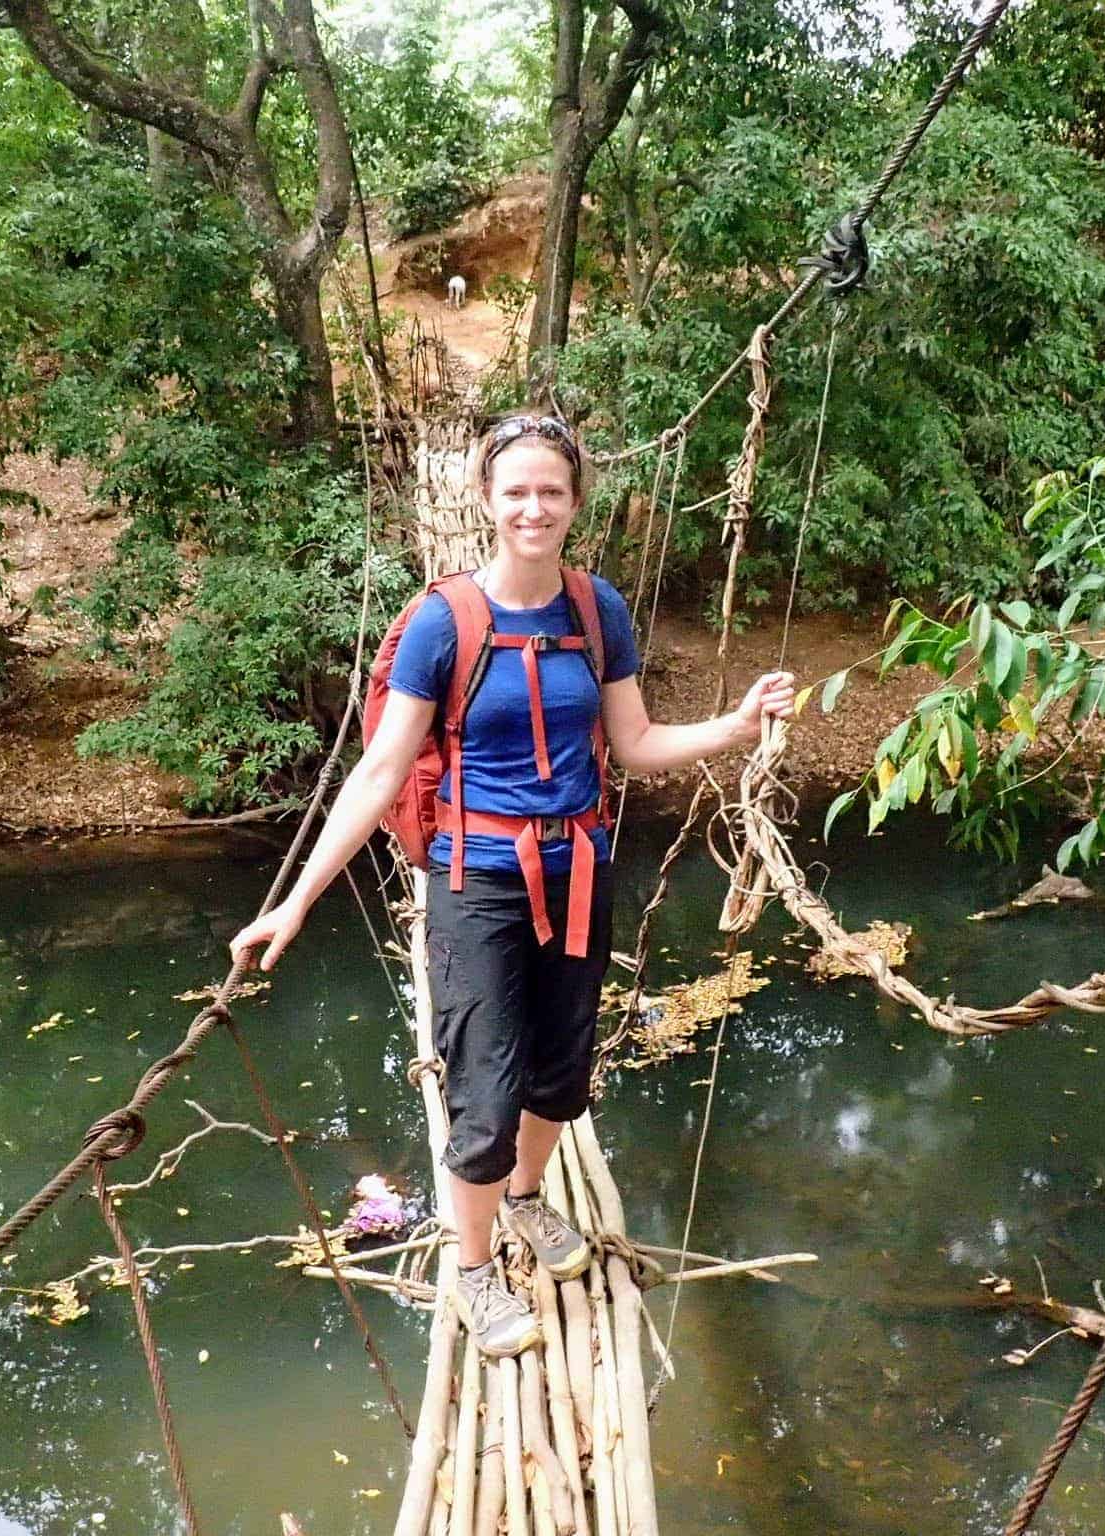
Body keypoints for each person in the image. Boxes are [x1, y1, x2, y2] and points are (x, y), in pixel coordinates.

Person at [230, 413, 796, 1358]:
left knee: (562, 1077)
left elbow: (635, 745)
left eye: (551, 492)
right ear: (486, 503)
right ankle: (475, 1264)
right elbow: (376, 775)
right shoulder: (438, 623)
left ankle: (528, 1202)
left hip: (578, 866)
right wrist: (293, 901)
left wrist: (734, 729)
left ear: (576, 504)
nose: (534, 508)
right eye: (515, 492)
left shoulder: (596, 609)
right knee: (483, 1096)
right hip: (476, 881)